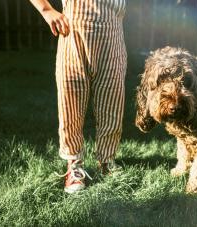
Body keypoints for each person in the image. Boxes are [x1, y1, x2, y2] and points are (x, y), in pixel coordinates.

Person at [29, 0, 127, 193]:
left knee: (112, 100)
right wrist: (46, 10)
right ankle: (74, 164)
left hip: (113, 33)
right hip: (73, 32)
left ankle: (107, 160)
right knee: (70, 103)